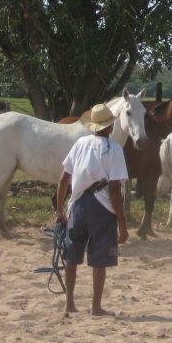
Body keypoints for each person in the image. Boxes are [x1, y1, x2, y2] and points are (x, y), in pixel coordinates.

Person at [55, 103, 129, 316]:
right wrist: (122, 224)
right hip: (102, 208)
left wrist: (60, 210)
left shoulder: (80, 143)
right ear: (110, 126)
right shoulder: (114, 149)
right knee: (99, 259)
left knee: (71, 255)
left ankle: (69, 303)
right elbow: (115, 190)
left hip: (77, 206)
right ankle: (95, 306)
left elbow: (63, 179)